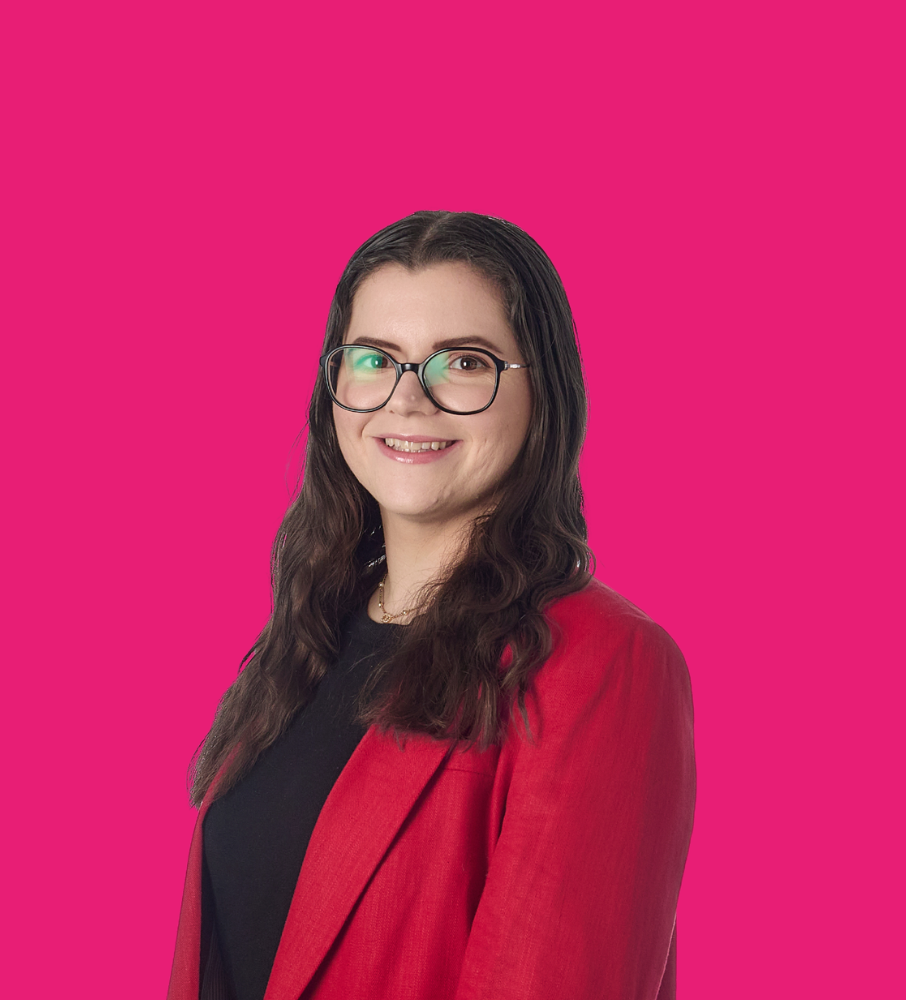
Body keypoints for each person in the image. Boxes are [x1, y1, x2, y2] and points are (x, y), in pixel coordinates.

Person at [168, 211, 696, 1000]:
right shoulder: (302, 645)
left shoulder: (605, 662)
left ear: (543, 391)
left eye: (464, 362)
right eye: (375, 359)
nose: (408, 400)